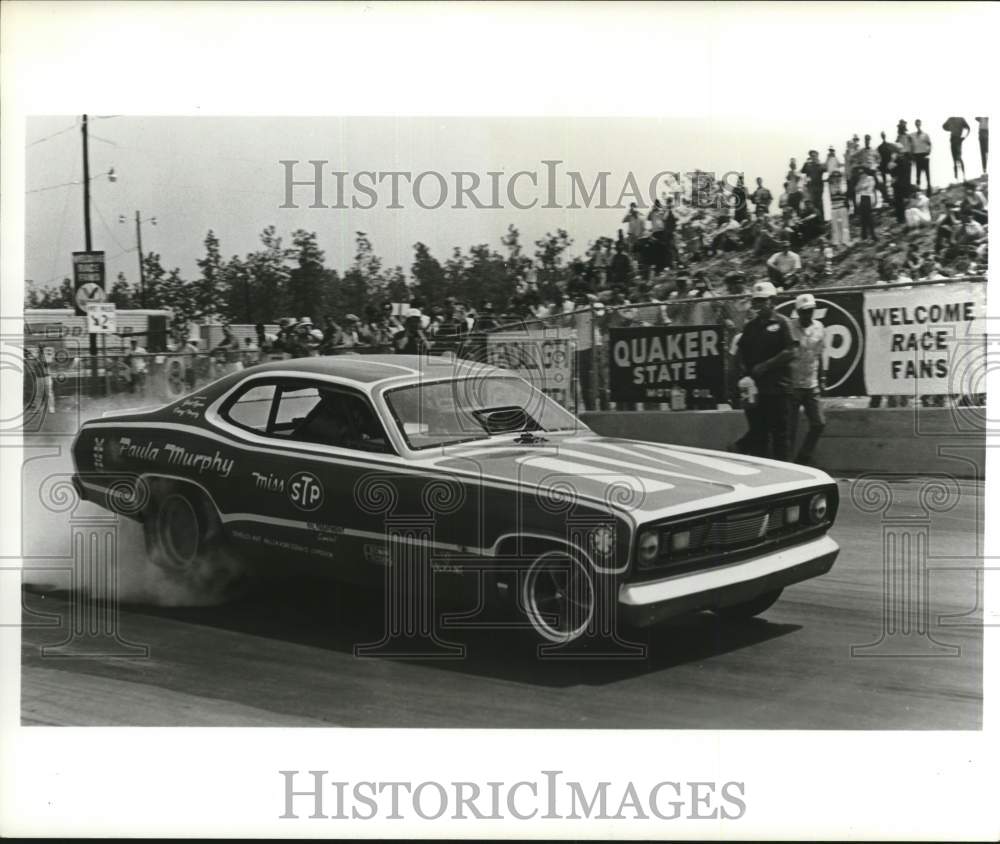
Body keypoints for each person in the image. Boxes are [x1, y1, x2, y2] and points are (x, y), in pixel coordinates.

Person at [735, 281, 796, 461]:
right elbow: (741, 353)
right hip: (755, 390)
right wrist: (744, 378)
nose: (758, 305)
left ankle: (785, 473)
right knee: (757, 433)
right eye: (756, 301)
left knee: (780, 435)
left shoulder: (783, 323)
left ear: (772, 301)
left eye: (762, 301)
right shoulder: (750, 327)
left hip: (778, 388)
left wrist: (766, 365)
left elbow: (791, 351)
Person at [787, 293, 826, 466]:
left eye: (810, 310)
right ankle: (787, 463)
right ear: (798, 311)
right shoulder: (790, 327)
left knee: (819, 423)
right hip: (793, 384)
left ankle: (803, 457)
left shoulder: (819, 327)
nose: (807, 314)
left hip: (811, 383)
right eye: (803, 311)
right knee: (790, 428)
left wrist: (822, 376)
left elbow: (820, 353)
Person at [942, 117, 971, 181]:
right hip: (952, 140)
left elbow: (968, 128)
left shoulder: (961, 119)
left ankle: (963, 176)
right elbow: (943, 126)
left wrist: (964, 137)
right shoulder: (951, 118)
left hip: (958, 140)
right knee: (954, 159)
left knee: (959, 157)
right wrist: (950, 129)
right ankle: (957, 178)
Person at [828, 171, 851, 248]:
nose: (836, 179)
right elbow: (833, 193)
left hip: (842, 206)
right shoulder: (830, 186)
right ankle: (836, 241)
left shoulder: (842, 185)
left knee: (844, 225)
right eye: (834, 177)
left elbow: (843, 192)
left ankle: (845, 241)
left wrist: (838, 188)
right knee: (835, 226)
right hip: (834, 207)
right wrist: (836, 188)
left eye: (837, 177)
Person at [800, 150, 825, 222]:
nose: (813, 157)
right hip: (811, 187)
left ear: (817, 156)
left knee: (819, 203)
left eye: (814, 155)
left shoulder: (820, 164)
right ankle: (814, 220)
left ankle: (821, 220)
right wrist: (806, 163)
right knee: (812, 203)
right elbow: (802, 171)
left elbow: (825, 169)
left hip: (819, 187)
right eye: (811, 155)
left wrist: (818, 163)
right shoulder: (808, 165)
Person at [910, 118, 932, 194]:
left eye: (918, 123)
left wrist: (928, 151)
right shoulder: (912, 135)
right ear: (915, 125)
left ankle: (929, 190)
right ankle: (918, 191)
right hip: (917, 156)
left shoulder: (925, 135)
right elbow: (910, 145)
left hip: (924, 155)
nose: (918, 125)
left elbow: (929, 144)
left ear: (920, 124)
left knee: (927, 174)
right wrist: (912, 154)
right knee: (918, 175)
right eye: (916, 124)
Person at [855, 169, 878, 241]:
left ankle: (873, 235)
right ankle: (864, 235)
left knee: (869, 218)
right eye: (860, 174)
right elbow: (856, 189)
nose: (862, 175)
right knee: (863, 218)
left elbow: (868, 188)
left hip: (868, 198)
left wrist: (861, 185)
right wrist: (861, 184)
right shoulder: (860, 179)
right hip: (862, 198)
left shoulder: (870, 178)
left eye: (863, 173)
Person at [876, 131, 896, 202]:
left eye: (883, 135)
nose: (883, 136)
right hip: (883, 165)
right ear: (882, 136)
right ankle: (886, 197)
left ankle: (893, 195)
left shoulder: (889, 145)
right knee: (884, 182)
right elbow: (878, 157)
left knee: (892, 180)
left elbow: (894, 154)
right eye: (882, 135)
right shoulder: (880, 147)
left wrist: (892, 162)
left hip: (889, 164)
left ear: (885, 136)